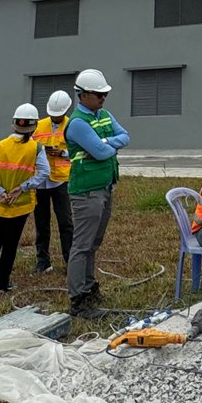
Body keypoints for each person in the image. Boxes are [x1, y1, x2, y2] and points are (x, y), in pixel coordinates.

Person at [64, 68, 129, 321]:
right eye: (99, 95)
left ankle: (90, 288)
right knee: (82, 245)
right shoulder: (78, 123)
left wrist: (104, 144)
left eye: (105, 94)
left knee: (94, 243)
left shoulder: (103, 114)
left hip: (104, 186)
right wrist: (107, 146)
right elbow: (103, 154)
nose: (103, 99)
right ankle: (78, 300)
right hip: (87, 191)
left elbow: (125, 136)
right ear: (82, 95)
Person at [0, 103, 46, 292]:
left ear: (14, 124)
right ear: (35, 126)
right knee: (10, 245)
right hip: (20, 206)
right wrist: (22, 188)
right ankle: (2, 283)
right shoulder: (36, 148)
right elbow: (44, 173)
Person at [30, 91, 75, 276]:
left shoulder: (73, 125)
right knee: (41, 224)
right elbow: (28, 147)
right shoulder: (39, 125)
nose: (54, 117)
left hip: (61, 181)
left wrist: (63, 153)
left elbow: (80, 151)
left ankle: (70, 260)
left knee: (65, 222)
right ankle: (43, 261)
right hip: (41, 181)